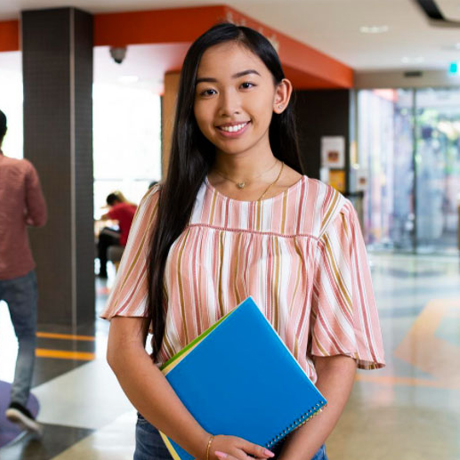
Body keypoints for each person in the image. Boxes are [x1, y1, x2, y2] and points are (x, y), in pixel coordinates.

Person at [102, 23, 385, 460]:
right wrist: (204, 445)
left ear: (279, 95)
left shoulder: (326, 212)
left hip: (288, 441)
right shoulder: (163, 203)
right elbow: (123, 349)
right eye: (207, 91)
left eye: (246, 84)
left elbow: (336, 362)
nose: (228, 107)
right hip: (170, 441)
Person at [0, 109, 47, 432]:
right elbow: (39, 217)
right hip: (16, 267)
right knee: (26, 338)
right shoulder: (21, 169)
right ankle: (18, 402)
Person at [97, 192, 137, 278]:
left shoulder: (119, 207)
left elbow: (104, 217)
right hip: (132, 236)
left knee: (103, 234)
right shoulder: (129, 205)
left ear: (114, 202)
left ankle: (102, 271)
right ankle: (103, 270)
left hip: (127, 238)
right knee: (106, 232)